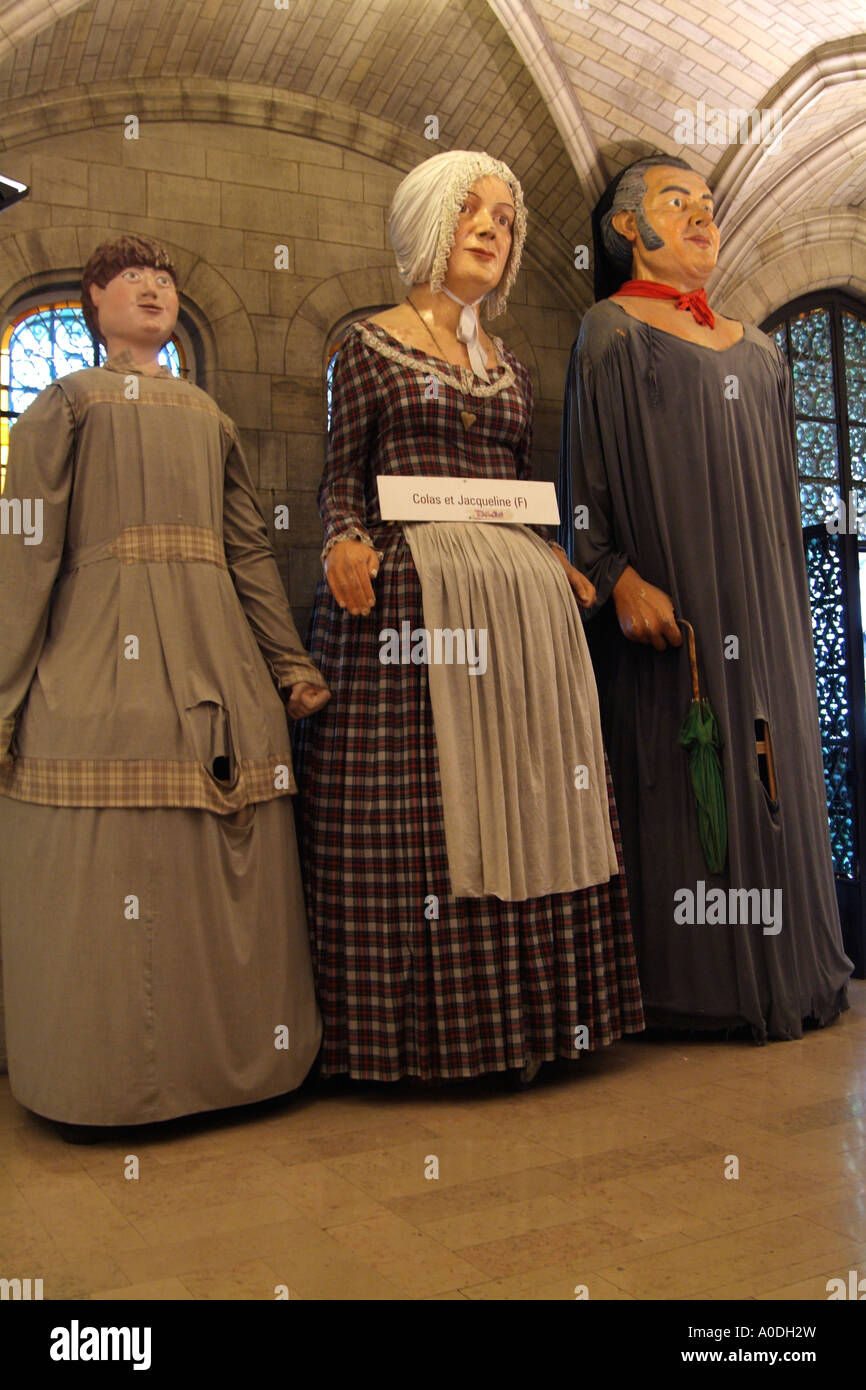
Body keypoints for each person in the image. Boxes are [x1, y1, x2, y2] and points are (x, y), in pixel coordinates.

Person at [294, 149, 644, 1084]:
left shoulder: (514, 369)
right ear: (428, 223)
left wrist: (556, 558)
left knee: (528, 799)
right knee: (432, 812)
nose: (494, 228)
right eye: (473, 212)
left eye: (506, 218)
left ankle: (532, 1027)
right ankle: (426, 1044)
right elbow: (340, 479)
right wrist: (341, 543)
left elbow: (516, 492)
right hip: (414, 603)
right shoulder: (368, 347)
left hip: (520, 613)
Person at [0, 234, 330, 1130]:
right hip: (99, 648)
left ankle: (239, 1066)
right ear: (93, 305)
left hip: (216, 647)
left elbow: (248, 549)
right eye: (128, 280)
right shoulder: (64, 403)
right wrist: (6, 689)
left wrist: (289, 664)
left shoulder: (210, 416)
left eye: (164, 280)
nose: (152, 289)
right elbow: (26, 546)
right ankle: (112, 1083)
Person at [559, 154, 852, 1040]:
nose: (701, 216)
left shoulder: (762, 354)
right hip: (674, 614)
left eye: (709, 205)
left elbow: (782, 498)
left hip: (763, 610)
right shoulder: (611, 332)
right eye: (675, 202)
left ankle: (798, 964)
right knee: (696, 777)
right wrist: (618, 577)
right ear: (626, 228)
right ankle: (698, 985)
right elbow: (586, 487)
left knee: (777, 763)